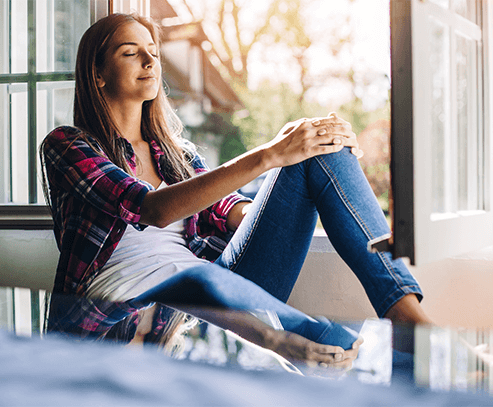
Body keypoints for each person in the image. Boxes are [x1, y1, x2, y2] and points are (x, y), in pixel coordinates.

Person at [41, 13, 430, 367]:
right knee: (326, 342)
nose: (149, 61)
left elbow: (229, 209)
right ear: (97, 74)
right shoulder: (69, 146)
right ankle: (381, 356)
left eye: (153, 52)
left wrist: (290, 191)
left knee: (318, 147)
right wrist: (270, 154)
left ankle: (408, 318)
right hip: (114, 314)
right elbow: (150, 208)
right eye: (131, 53)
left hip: (214, 286)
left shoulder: (177, 155)